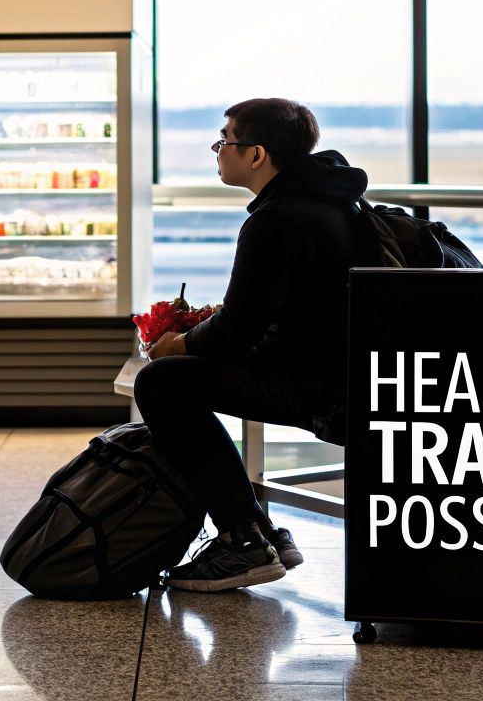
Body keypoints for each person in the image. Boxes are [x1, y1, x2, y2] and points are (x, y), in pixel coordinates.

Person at [134, 98, 372, 592]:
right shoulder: (331, 200)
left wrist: (178, 345)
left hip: (319, 386)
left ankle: (242, 540)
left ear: (257, 154)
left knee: (161, 384)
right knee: (177, 378)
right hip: (345, 373)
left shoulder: (277, 220)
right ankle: (260, 532)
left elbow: (238, 328)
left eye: (225, 141)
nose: (218, 150)